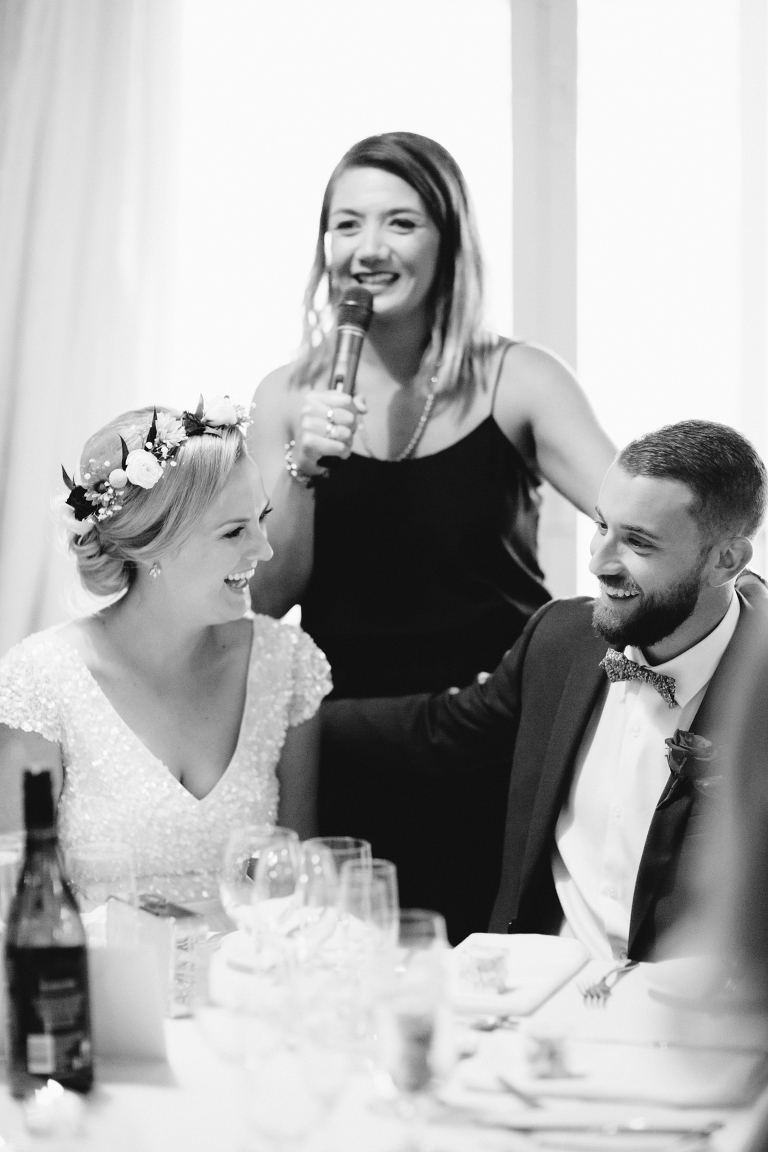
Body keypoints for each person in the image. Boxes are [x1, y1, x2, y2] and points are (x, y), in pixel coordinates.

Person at [248, 131, 615, 941]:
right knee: (361, 980)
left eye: (400, 223)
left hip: (493, 735)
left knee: (496, 978)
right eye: (346, 225)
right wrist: (302, 468)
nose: (367, 249)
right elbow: (264, 602)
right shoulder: (284, 397)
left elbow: (630, 512)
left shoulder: (519, 379)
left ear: (448, 241)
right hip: (346, 742)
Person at [323, 420, 768, 960]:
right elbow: (443, 728)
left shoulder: (758, 689)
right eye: (602, 527)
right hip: (534, 991)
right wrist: (286, 713)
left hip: (688, 1019)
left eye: (638, 543)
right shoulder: (561, 637)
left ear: (727, 560)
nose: (599, 562)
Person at [0, 399, 331, 898]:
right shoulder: (42, 680)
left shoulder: (286, 664)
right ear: (150, 544)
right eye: (234, 531)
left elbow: (295, 888)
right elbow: (16, 903)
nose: (263, 549)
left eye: (260, 519)